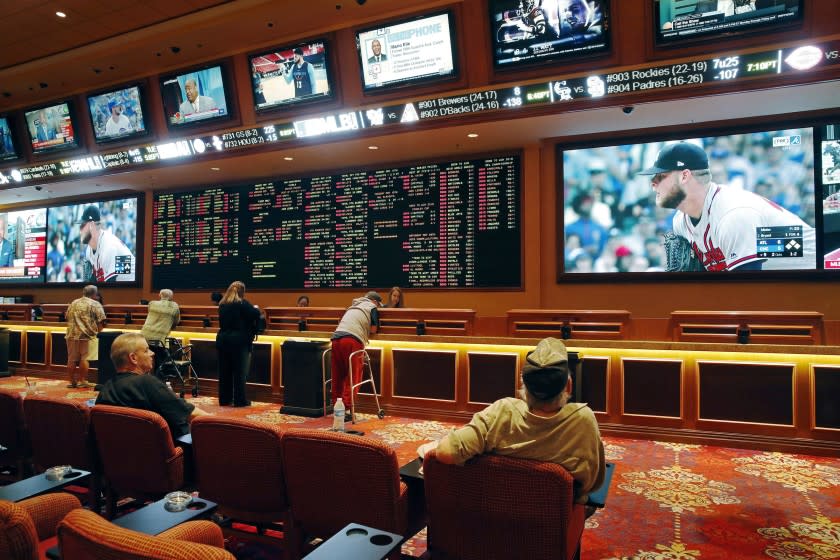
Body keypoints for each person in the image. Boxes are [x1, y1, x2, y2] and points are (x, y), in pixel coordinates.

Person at [428, 337, 605, 507]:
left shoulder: (502, 412)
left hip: (495, 516)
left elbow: (445, 452)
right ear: (568, 385)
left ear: (524, 388)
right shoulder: (583, 421)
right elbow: (591, 484)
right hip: (553, 524)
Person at [639, 142, 816, 271]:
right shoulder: (681, 221)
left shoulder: (733, 213)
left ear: (685, 176)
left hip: (824, 276)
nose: (653, 183)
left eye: (660, 176)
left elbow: (747, 296)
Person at [95, 332, 210, 439]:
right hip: (167, 454)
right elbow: (192, 414)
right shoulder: (148, 383)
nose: (152, 353)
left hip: (124, 455)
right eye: (146, 350)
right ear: (133, 358)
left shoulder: (105, 390)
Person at [330, 291, 381, 417]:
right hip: (353, 340)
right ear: (374, 301)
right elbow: (374, 329)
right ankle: (346, 410)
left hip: (336, 339)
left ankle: (337, 408)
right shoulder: (372, 307)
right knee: (354, 375)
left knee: (338, 375)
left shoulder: (352, 306)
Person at [216, 281, 262, 407]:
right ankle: (239, 400)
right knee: (239, 372)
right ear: (242, 292)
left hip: (223, 340)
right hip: (239, 341)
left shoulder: (222, 304)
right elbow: (256, 314)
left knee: (224, 371)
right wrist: (257, 308)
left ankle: (224, 399)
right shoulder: (242, 304)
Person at [78, 205, 135, 282]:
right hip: (120, 286)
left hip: (134, 287)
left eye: (82, 225)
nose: (80, 230)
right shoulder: (90, 249)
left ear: (91, 225)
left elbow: (109, 288)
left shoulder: (109, 246)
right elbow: (90, 282)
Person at [65, 285, 106, 389]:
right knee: (85, 358)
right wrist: (98, 332)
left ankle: (72, 382)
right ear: (95, 294)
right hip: (87, 335)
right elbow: (102, 320)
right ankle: (82, 381)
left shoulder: (74, 302)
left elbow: (66, 317)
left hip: (71, 335)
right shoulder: (95, 304)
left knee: (71, 359)